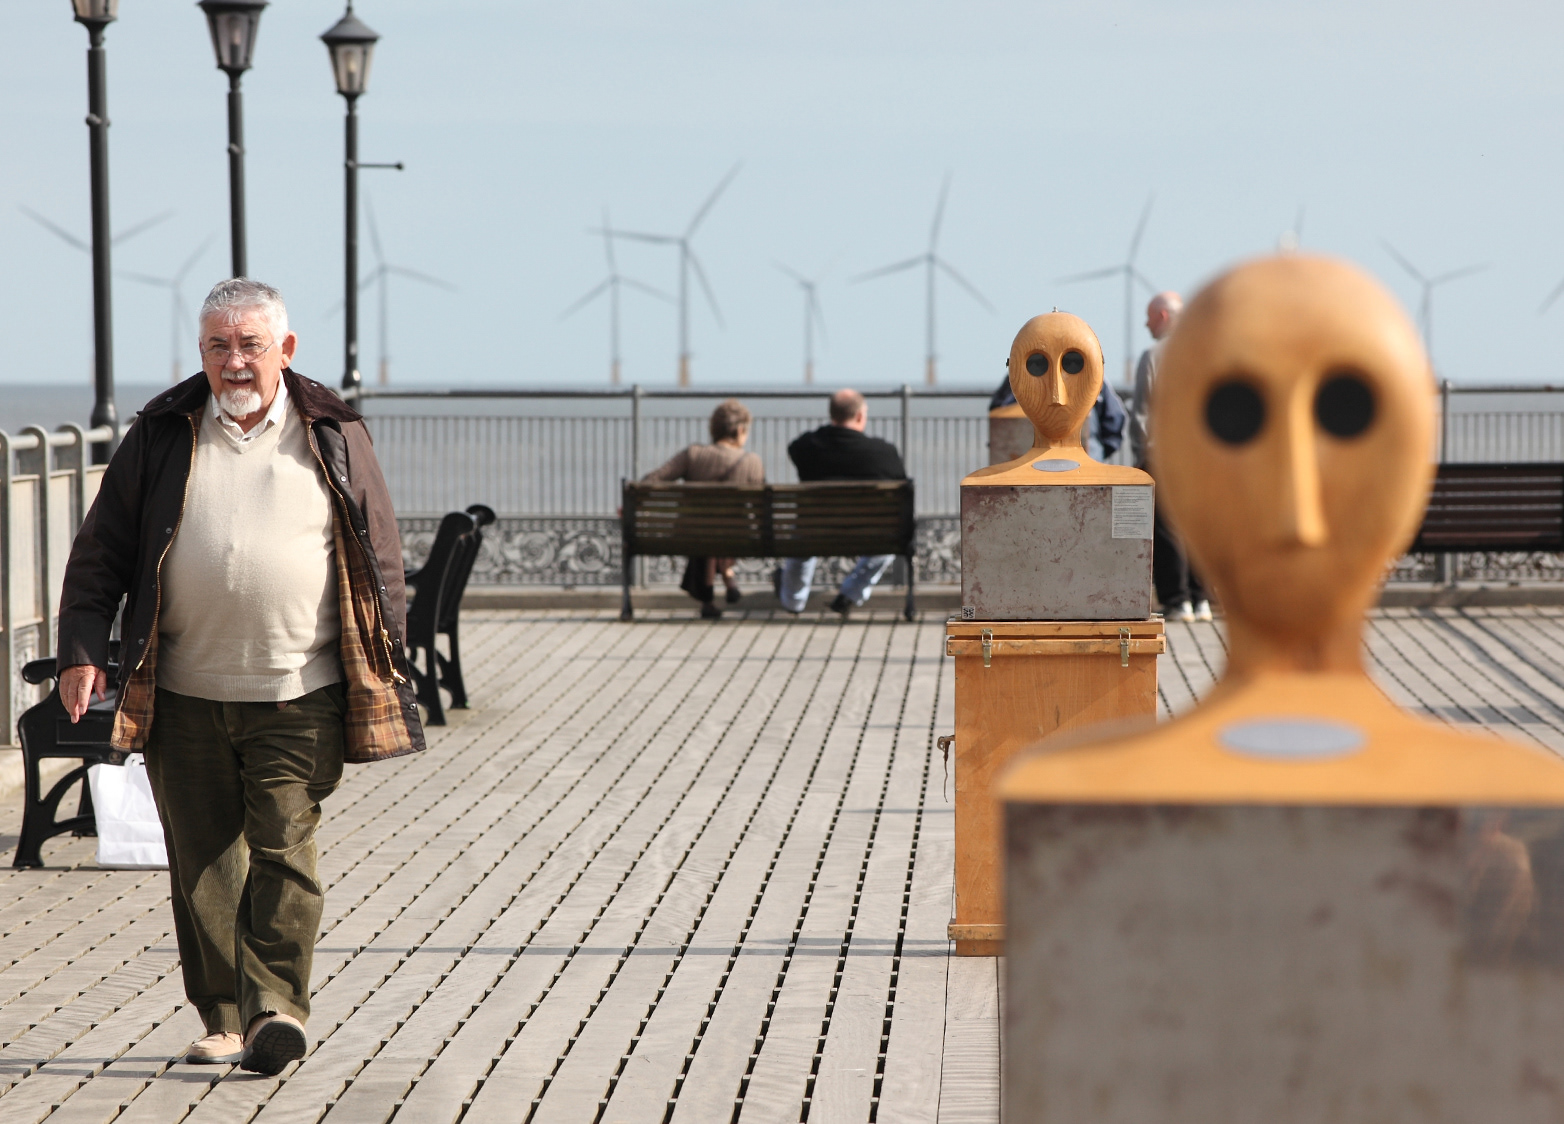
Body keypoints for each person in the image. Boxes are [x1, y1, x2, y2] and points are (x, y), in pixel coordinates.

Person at [55, 278, 423, 1076]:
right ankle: (224, 1017)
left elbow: (379, 547)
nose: (234, 361)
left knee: (286, 848)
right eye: (219, 346)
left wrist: (390, 651)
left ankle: (277, 1010)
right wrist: (83, 646)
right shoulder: (160, 432)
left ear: (285, 351)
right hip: (183, 688)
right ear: (201, 353)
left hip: (302, 687)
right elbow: (102, 552)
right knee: (204, 859)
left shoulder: (332, 430)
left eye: (250, 345)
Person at [776, 389, 906, 618]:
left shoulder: (807, 448)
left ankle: (793, 602)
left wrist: (828, 432)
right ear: (858, 416)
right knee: (889, 538)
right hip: (866, 536)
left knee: (801, 540)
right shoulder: (883, 453)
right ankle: (851, 593)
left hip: (814, 532)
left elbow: (795, 446)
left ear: (832, 415)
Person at [1129, 291, 1210, 623]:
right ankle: (1202, 599)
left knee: (1165, 528)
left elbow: (1142, 413)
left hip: (1164, 454)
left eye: (1149, 316)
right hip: (1204, 455)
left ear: (1163, 317)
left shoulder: (1154, 355)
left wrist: (1142, 455)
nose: (1146, 323)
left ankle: (1177, 602)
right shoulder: (1206, 351)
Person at [641, 398, 763, 620]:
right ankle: (728, 575)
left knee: (706, 531)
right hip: (736, 539)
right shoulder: (751, 461)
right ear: (740, 430)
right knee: (723, 530)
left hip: (691, 535)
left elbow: (652, 480)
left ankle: (708, 598)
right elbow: (762, 507)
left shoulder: (693, 454)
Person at [989, 373, 1128, 461]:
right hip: (1089, 456)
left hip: (1025, 459)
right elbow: (1114, 420)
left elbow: (998, 418)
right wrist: (1098, 452)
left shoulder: (1018, 376)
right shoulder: (1095, 376)